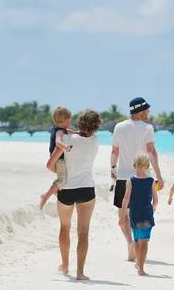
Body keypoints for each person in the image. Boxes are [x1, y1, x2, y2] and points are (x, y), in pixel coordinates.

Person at [45, 109, 102, 280]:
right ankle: (80, 272)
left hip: (67, 189)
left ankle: (65, 266)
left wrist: (59, 174)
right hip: (86, 189)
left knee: (65, 228)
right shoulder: (96, 141)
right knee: (83, 232)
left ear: (79, 122)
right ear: (96, 127)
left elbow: (50, 164)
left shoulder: (66, 139)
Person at [111, 96, 164, 261]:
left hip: (122, 177)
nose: (148, 112)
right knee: (141, 211)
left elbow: (114, 152)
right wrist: (158, 175)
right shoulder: (147, 128)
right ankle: (137, 241)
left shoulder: (119, 127)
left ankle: (129, 242)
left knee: (123, 214)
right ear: (140, 111)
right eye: (147, 109)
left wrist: (113, 168)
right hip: (143, 178)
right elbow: (151, 152)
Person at [119, 152, 158, 276]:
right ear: (148, 167)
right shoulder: (151, 181)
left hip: (134, 216)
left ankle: (138, 263)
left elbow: (125, 199)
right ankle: (141, 267)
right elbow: (155, 200)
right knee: (145, 241)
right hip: (147, 215)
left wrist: (122, 216)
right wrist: (154, 208)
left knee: (136, 241)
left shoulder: (130, 181)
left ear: (134, 166)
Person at [40, 106, 77, 210]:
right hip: (59, 159)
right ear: (65, 120)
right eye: (70, 120)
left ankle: (56, 193)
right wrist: (65, 147)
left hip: (55, 158)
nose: (70, 122)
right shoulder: (59, 132)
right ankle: (45, 196)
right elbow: (58, 141)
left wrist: (76, 133)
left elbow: (66, 130)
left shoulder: (55, 128)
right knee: (61, 181)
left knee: (63, 181)